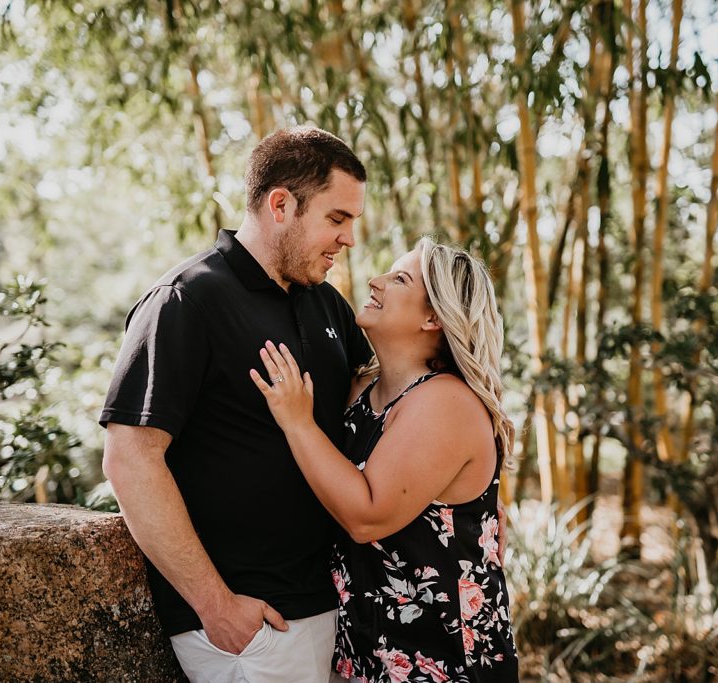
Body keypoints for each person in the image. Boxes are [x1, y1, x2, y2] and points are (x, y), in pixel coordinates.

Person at [100, 126, 373, 683]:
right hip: (252, 628)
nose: (348, 240)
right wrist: (216, 606)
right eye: (337, 219)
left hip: (335, 607)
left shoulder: (328, 304)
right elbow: (130, 458)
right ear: (281, 204)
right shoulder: (187, 299)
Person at [251, 238, 519, 682]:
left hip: (442, 658)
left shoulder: (446, 401)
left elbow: (367, 516)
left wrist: (298, 423)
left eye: (399, 279)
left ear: (434, 317)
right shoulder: (363, 390)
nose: (375, 281)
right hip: (370, 650)